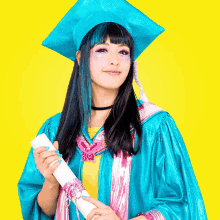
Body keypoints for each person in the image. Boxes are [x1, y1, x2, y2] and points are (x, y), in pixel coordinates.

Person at [18, 1, 207, 220]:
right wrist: (51, 180)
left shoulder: (155, 126)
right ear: (80, 58)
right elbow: (43, 212)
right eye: (101, 50)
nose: (115, 60)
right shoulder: (55, 129)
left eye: (124, 52)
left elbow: (181, 205)